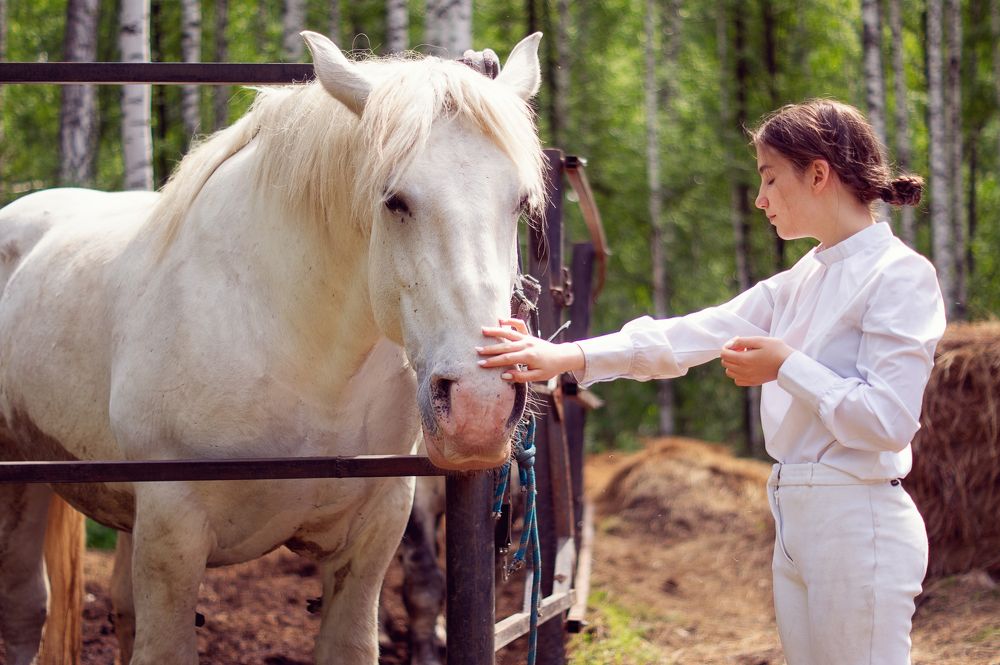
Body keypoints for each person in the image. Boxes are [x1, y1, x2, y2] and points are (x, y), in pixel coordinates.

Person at [475, 99, 946, 665]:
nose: (760, 199)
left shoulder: (900, 276)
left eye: (770, 179)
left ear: (818, 174)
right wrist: (565, 355)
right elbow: (687, 336)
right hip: (797, 517)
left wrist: (786, 366)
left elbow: (887, 423)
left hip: (858, 520)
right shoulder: (802, 279)